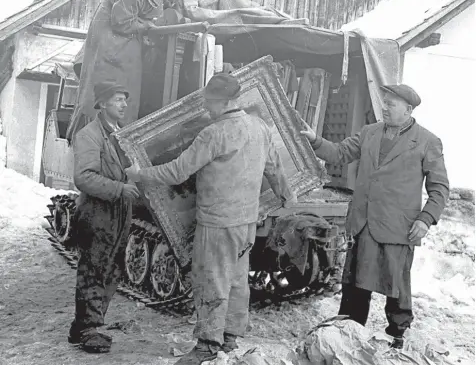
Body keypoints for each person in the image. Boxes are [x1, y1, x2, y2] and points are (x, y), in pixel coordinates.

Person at [126, 73, 297, 364]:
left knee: (212, 281)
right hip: (245, 223)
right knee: (237, 280)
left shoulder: (214, 133)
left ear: (228, 101)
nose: (207, 108)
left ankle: (207, 344)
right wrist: (286, 198)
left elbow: (177, 172)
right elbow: (274, 169)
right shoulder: (260, 127)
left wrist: (139, 174)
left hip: (217, 222)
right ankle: (229, 338)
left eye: (211, 103)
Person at [301, 84, 449, 349]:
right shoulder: (369, 132)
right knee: (355, 282)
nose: (385, 107)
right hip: (363, 222)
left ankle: (397, 335)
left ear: (408, 109)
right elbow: (339, 153)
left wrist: (425, 219)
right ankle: (349, 331)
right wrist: (315, 140)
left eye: (391, 104)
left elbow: (439, 188)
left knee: (397, 285)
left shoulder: (428, 141)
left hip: (398, 227)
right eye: (385, 102)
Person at [66, 0, 181, 141]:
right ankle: (100, 138)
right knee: (112, 86)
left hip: (126, 34)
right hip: (110, 38)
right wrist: (146, 25)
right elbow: (121, 23)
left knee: (128, 87)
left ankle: (118, 134)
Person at [69, 80, 140, 353]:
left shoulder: (119, 133)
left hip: (118, 211)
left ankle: (82, 327)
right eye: (118, 99)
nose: (124, 104)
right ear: (102, 104)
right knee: (94, 269)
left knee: (111, 269)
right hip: (98, 212)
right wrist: (120, 188)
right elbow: (83, 177)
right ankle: (90, 329)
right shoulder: (90, 135)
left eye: (124, 99)